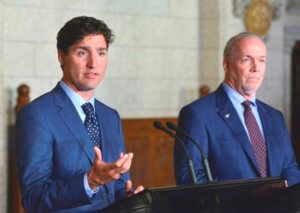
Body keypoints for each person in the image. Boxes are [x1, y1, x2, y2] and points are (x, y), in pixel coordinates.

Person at [16, 16, 143, 212]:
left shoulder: (111, 116)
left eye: (101, 53)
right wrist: (89, 182)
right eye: (82, 52)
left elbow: (118, 184)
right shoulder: (36, 115)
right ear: (61, 57)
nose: (93, 63)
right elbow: (33, 198)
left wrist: (130, 198)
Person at [174, 32, 300, 186]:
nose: (256, 68)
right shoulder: (198, 114)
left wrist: (279, 192)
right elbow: (190, 179)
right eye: (246, 60)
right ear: (226, 64)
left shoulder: (275, 116)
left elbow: (290, 168)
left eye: (262, 60)